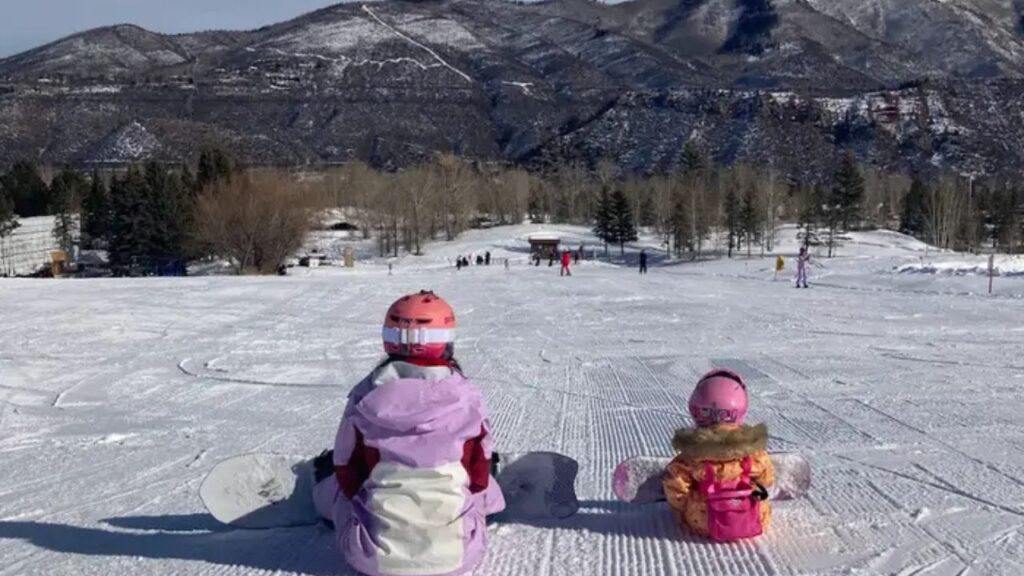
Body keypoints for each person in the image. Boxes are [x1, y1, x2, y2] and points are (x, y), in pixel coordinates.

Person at [311, 291, 505, 576]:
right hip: (456, 558)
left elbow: (348, 473)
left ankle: (318, 495)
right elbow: (476, 480)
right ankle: (496, 503)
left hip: (371, 557)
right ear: (445, 340)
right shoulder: (467, 398)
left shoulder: (365, 398)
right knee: (481, 485)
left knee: (339, 490)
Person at [662, 369, 774, 542]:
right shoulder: (753, 453)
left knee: (690, 500)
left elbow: (677, 487)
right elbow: (766, 479)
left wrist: (682, 510)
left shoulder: (691, 456)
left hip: (703, 521)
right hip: (752, 517)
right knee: (758, 496)